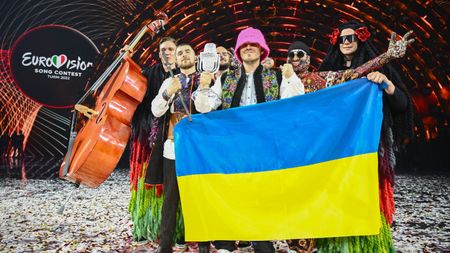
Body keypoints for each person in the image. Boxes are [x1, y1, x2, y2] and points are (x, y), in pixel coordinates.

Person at [194, 27, 304, 253]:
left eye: (253, 44)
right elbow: (204, 107)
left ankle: (262, 243)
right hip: (232, 149)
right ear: (238, 51)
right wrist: (204, 85)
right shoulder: (226, 79)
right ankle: (225, 244)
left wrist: (291, 78)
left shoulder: (275, 76)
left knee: (262, 196)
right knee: (230, 192)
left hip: (264, 149)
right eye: (244, 45)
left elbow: (295, 102)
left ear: (262, 49)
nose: (249, 47)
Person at [314, 20, 414, 252]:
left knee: (368, 196)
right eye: (342, 39)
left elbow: (402, 104)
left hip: (369, 147)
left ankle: (370, 247)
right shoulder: (325, 75)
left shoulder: (381, 71)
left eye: (351, 38)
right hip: (336, 149)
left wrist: (386, 84)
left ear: (360, 40)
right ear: (336, 43)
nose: (346, 42)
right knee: (337, 196)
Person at [152, 42, 212, 253]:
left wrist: (204, 87)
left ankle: (203, 246)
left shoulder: (207, 78)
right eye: (180, 53)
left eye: (188, 51)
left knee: (200, 196)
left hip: (199, 148)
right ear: (175, 60)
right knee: (170, 198)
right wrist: (168, 92)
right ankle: (165, 246)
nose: (184, 55)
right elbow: (157, 111)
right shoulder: (169, 81)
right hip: (173, 146)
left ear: (195, 56)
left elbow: (206, 108)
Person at [128, 37, 182, 244]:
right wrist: (126, 60)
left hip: (173, 138)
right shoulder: (147, 74)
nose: (167, 53)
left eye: (171, 49)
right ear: (159, 54)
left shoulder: (186, 74)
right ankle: (143, 228)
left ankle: (176, 232)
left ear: (177, 53)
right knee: (145, 183)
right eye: (163, 50)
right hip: (146, 136)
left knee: (173, 186)